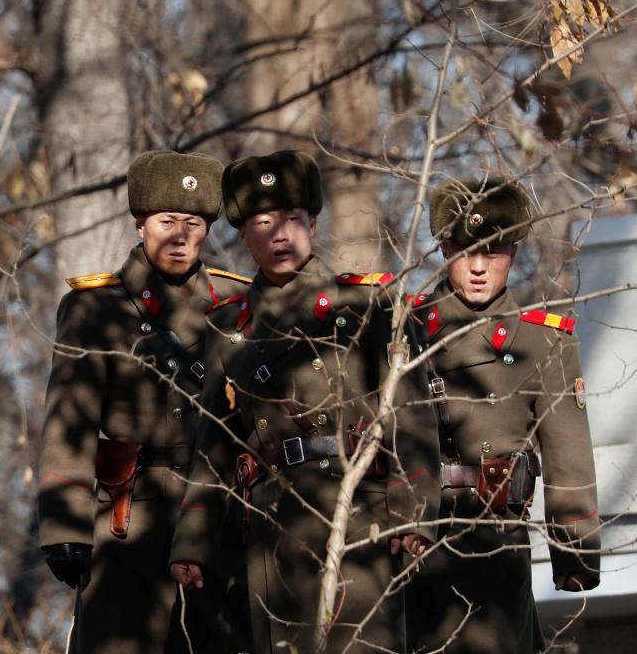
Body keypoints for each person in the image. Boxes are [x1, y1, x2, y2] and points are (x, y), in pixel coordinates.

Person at [168, 150, 441, 653]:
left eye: (293, 219)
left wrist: (415, 512)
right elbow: (215, 443)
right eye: (264, 222)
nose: (280, 234)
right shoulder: (229, 326)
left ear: (313, 223)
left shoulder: (366, 303)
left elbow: (411, 413)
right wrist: (193, 541)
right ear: (244, 235)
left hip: (361, 512)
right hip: (275, 524)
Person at [37, 151, 252, 653]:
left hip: (220, 512)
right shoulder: (96, 306)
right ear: (140, 225)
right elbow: (70, 417)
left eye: (194, 222)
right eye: (167, 221)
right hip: (126, 520)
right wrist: (64, 523)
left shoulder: (236, 302)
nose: (180, 235)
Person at [406, 177, 601, 654]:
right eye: (462, 251)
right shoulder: (405, 331)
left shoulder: (544, 341)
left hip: (495, 539)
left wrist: (574, 550)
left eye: (492, 252)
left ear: (514, 251)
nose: (476, 267)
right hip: (410, 541)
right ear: (442, 249)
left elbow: (568, 456)